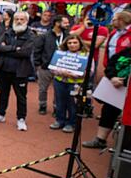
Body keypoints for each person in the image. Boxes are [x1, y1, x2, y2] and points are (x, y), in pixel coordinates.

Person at [83, 11, 131, 149]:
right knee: (108, 109)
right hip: (114, 77)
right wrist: (112, 76)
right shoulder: (115, 34)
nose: (112, 22)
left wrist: (125, 80)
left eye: (115, 19)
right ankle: (100, 139)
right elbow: (113, 59)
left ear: (122, 20)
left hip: (126, 81)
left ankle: (123, 145)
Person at [0, 11, 36, 131]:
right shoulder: (7, 32)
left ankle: (21, 119)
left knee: (21, 96)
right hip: (4, 69)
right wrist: (14, 49)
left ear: (26, 21)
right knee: (3, 94)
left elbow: (25, 52)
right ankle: (0, 114)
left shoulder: (30, 35)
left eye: (22, 19)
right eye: (17, 19)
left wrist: (6, 49)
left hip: (20, 72)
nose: (19, 21)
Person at [49, 35, 88, 133]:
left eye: (75, 42)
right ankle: (60, 120)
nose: (72, 45)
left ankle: (71, 123)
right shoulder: (60, 53)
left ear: (80, 43)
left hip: (75, 84)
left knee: (72, 104)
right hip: (60, 81)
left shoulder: (85, 55)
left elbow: (90, 71)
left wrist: (75, 74)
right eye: (69, 43)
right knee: (59, 102)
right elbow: (52, 67)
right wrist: (61, 72)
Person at [33, 14, 68, 115]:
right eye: (65, 22)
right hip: (46, 67)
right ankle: (42, 105)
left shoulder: (67, 36)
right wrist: (38, 65)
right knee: (43, 88)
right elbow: (37, 50)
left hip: (61, 68)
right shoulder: (45, 36)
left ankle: (57, 107)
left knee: (59, 90)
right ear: (57, 23)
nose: (67, 24)